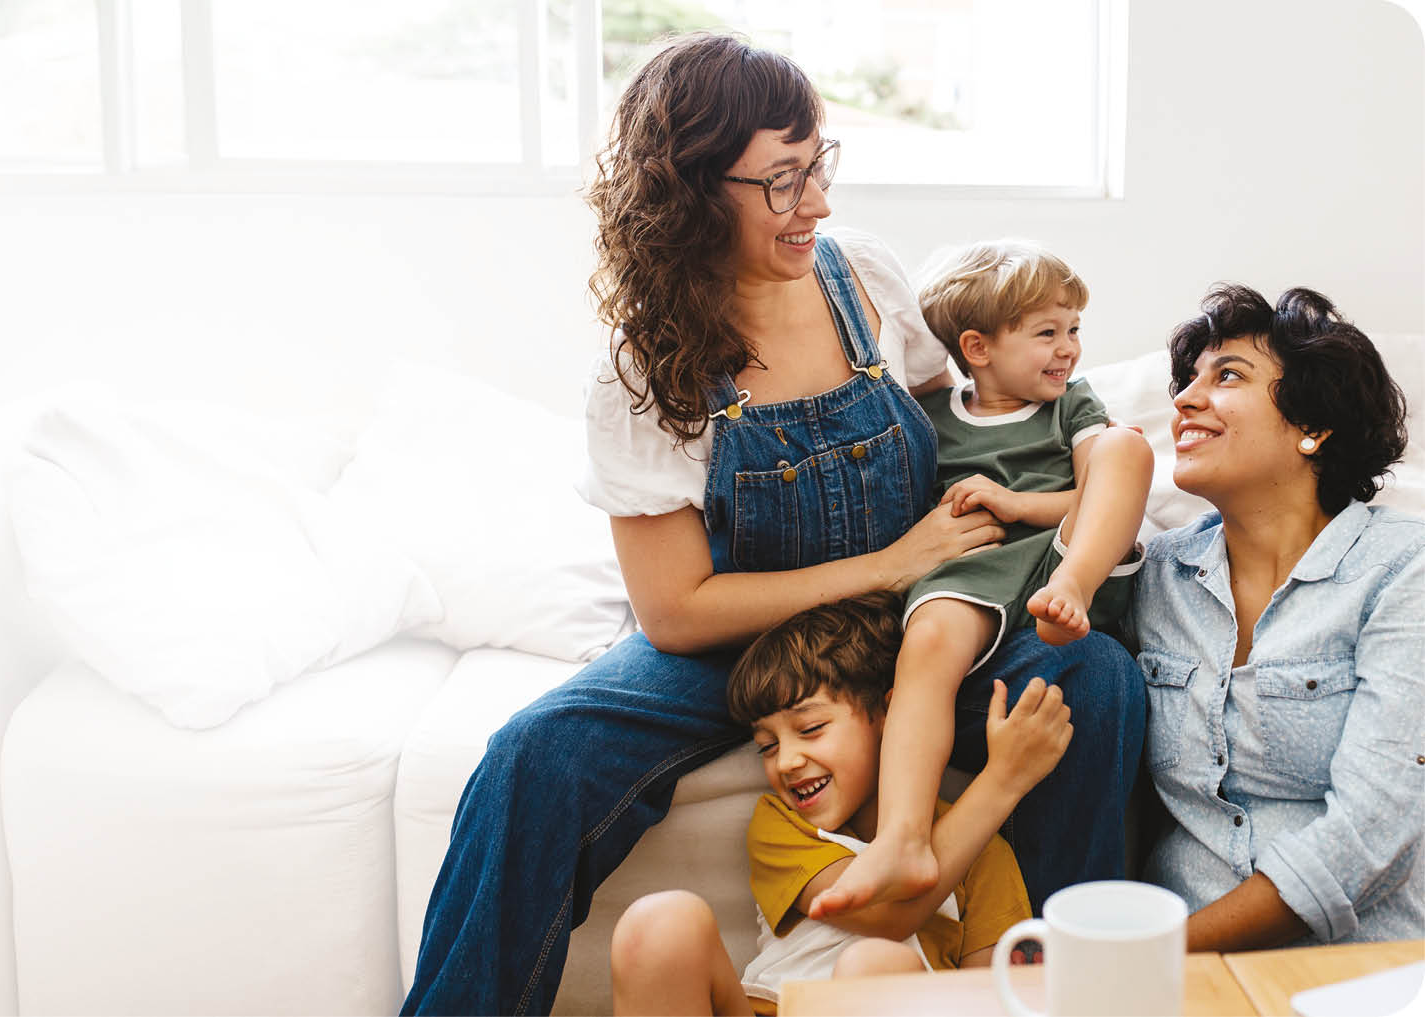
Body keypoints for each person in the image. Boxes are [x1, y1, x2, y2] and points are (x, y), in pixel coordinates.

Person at [400, 34, 1145, 1016]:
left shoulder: (865, 282)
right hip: (746, 637)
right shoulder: (644, 373)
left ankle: (1079, 992)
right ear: (694, 191)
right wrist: (881, 565)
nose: (817, 205)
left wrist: (1040, 508)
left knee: (1092, 681)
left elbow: (960, 430)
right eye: (782, 182)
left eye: (817, 167)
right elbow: (673, 610)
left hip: (920, 611)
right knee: (532, 757)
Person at [818, 241, 1153, 913]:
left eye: (1074, 330)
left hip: (1064, 556)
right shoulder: (934, 420)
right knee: (930, 639)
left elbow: (1101, 490)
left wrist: (1021, 505)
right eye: (1047, 333)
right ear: (977, 347)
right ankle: (904, 836)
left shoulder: (1072, 407)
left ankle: (1075, 594)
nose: (1069, 350)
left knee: (1126, 444)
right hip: (976, 568)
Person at [1133, 283, 1422, 950]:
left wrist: (1150, 953)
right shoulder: (1158, 576)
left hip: (1355, 963)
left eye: (1227, 374)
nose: (1184, 400)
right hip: (1183, 974)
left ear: (1313, 426)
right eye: (1189, 379)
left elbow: (1373, 828)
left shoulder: (1403, 569)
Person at [609, 593, 1063, 1016]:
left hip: (889, 999)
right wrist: (1002, 781)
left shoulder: (981, 853)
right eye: (766, 746)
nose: (786, 761)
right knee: (659, 925)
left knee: (873, 967)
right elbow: (884, 914)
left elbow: (992, 995)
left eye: (810, 729)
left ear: (889, 715)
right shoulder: (783, 825)